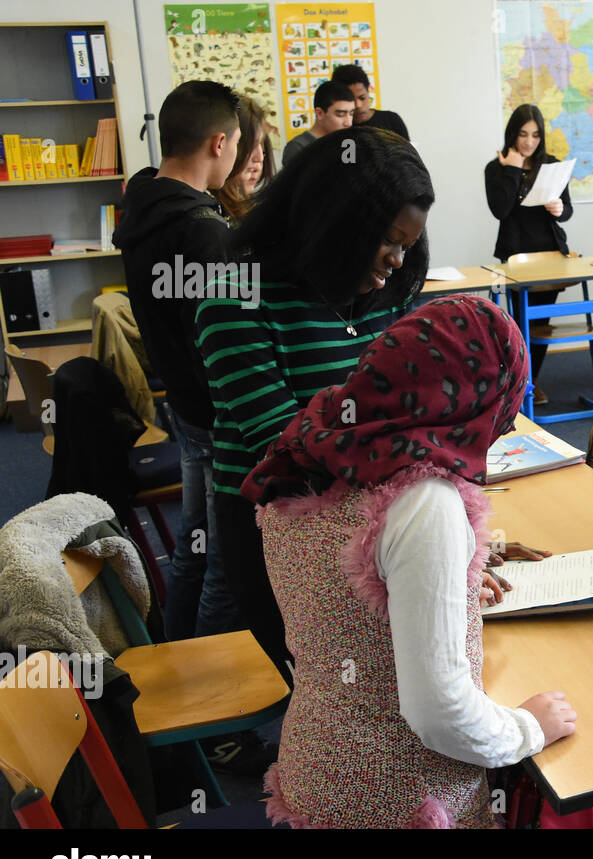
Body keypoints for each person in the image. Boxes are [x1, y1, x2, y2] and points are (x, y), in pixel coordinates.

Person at [244, 295, 577, 829]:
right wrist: (527, 730)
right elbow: (441, 714)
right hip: (404, 802)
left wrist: (445, 586)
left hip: (320, 772)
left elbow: (346, 600)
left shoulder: (317, 443)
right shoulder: (425, 503)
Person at [196, 126, 433, 681]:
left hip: (382, 518)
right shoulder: (235, 297)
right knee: (335, 691)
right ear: (336, 225)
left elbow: (415, 413)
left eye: (407, 244)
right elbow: (289, 449)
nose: (398, 262)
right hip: (285, 536)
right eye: (388, 242)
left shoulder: (381, 296)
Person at [113, 81, 243, 646]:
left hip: (183, 404)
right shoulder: (202, 231)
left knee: (195, 547)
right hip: (216, 413)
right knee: (225, 562)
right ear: (219, 142)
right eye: (238, 144)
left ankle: (179, 654)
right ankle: (217, 705)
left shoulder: (143, 201)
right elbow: (231, 332)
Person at [484, 103, 574, 407]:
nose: (529, 142)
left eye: (535, 135)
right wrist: (511, 168)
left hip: (549, 255)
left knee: (540, 324)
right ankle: (517, 384)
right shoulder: (496, 167)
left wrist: (559, 209)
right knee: (517, 326)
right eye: (523, 134)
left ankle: (530, 383)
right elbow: (500, 209)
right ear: (513, 133)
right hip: (515, 256)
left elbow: (567, 210)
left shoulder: (552, 165)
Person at [215, 93, 276, 222]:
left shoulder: (249, 207)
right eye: (250, 146)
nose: (259, 158)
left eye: (261, 145)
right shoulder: (213, 215)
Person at [281, 81, 355, 164]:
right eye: (340, 115)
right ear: (319, 113)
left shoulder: (348, 144)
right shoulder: (297, 147)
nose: (348, 123)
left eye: (351, 114)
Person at [332, 63, 409, 140]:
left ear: (368, 90)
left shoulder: (391, 120)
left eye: (362, 97)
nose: (358, 105)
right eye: (351, 100)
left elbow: (409, 151)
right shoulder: (337, 129)